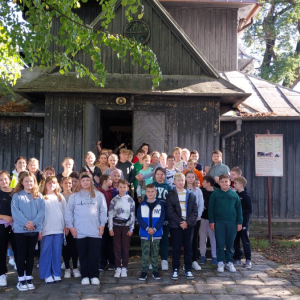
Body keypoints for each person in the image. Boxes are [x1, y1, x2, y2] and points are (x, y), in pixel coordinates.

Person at [65, 172, 107, 285]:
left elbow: (103, 211)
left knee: (94, 254)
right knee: (82, 254)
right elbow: (69, 212)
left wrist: (102, 224)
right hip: (80, 230)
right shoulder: (74, 196)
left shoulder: (98, 195)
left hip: (95, 230)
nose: (85, 182)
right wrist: (71, 226)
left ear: (91, 182)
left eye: (87, 180)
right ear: (80, 182)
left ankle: (94, 275)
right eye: (83, 180)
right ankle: (85, 276)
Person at [11, 171, 45, 291]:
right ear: (22, 182)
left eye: (31, 181)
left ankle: (29, 277)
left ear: (34, 182)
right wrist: (27, 223)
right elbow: (15, 213)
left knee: (30, 254)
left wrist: (33, 223)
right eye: (26, 181)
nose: (29, 183)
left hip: (34, 230)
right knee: (21, 254)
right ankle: (21, 279)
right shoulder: (17, 196)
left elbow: (42, 212)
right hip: (21, 230)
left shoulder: (39, 196)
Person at [208, 174, 243, 273]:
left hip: (232, 222)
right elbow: (211, 209)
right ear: (219, 183)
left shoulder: (234, 195)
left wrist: (239, 222)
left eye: (226, 181)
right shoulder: (215, 194)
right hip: (219, 222)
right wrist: (212, 221)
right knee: (220, 243)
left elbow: (239, 209)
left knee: (230, 243)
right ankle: (220, 262)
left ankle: (229, 262)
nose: (224, 183)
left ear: (229, 182)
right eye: (222, 181)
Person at [166, 173, 198, 280]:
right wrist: (181, 222)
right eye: (178, 180)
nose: (180, 183)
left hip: (189, 226)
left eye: (182, 180)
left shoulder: (191, 195)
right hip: (176, 226)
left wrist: (187, 222)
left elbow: (194, 212)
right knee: (176, 248)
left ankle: (188, 269)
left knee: (188, 248)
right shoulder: (170, 195)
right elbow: (170, 211)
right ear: (174, 182)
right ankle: (175, 269)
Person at [39, 176, 67, 283]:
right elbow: (39, 215)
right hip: (46, 230)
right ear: (45, 184)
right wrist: (40, 230)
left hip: (59, 229)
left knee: (57, 251)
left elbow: (65, 211)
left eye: (54, 183)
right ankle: (46, 274)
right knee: (46, 252)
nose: (51, 185)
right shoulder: (42, 197)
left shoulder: (59, 197)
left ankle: (56, 273)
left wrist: (66, 225)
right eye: (49, 183)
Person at [144, 168, 172, 271]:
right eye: (158, 174)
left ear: (165, 175)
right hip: (153, 218)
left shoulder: (168, 187)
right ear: (155, 175)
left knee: (164, 239)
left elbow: (171, 203)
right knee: (153, 240)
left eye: (162, 174)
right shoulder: (151, 186)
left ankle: (164, 260)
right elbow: (145, 201)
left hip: (164, 218)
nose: (160, 176)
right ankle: (153, 260)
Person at [137, 184, 165, 281]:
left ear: (155, 192)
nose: (150, 193)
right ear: (145, 193)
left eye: (152, 191)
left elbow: (162, 218)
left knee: (155, 252)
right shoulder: (142, 204)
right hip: (145, 233)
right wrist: (147, 228)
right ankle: (144, 270)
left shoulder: (160, 204)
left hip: (156, 233)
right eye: (148, 191)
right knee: (145, 252)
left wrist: (155, 229)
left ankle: (155, 270)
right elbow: (139, 218)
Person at [108, 179, 135, 278]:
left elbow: (132, 215)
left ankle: (124, 267)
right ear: (117, 188)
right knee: (117, 248)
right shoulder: (114, 200)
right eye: (120, 187)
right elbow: (110, 214)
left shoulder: (130, 200)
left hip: (126, 226)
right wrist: (110, 228)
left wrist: (131, 229)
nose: (122, 189)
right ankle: (118, 267)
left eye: (124, 187)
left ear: (127, 188)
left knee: (125, 247)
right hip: (116, 226)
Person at [0, 171, 17, 287]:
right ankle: (2, 274)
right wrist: (4, 216)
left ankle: (22, 274)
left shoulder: (15, 193)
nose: (4, 182)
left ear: (10, 180)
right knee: (1, 251)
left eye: (5, 179)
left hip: (16, 226)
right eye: (1, 180)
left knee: (19, 249)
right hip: (2, 225)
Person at [61, 177, 80, 278]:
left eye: (70, 183)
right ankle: (67, 268)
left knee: (74, 247)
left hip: (74, 226)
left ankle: (75, 267)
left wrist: (72, 225)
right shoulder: (59, 196)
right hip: (64, 227)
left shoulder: (75, 196)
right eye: (66, 183)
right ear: (61, 184)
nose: (68, 185)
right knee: (65, 248)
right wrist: (65, 225)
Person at [184, 171, 204, 271]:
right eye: (189, 177)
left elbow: (201, 204)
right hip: (184, 219)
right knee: (185, 240)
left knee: (194, 239)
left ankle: (194, 260)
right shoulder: (182, 189)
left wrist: (198, 215)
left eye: (193, 177)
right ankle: (186, 261)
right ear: (185, 178)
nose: (191, 179)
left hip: (195, 219)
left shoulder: (198, 191)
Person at [233, 176, 252, 269]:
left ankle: (248, 259)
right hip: (235, 222)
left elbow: (249, 210)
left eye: (235, 183)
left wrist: (243, 221)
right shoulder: (235, 194)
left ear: (241, 185)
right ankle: (238, 258)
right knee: (235, 241)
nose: (233, 185)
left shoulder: (246, 195)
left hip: (243, 223)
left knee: (245, 241)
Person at [98, 175, 115, 271]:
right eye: (110, 179)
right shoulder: (98, 192)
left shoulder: (113, 191)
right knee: (102, 243)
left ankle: (112, 263)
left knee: (111, 242)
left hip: (111, 221)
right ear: (104, 181)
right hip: (101, 221)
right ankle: (102, 263)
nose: (111, 181)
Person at [199, 175, 217, 265]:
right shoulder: (201, 191)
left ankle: (214, 256)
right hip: (202, 218)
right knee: (202, 237)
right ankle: (202, 255)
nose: (202, 184)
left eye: (204, 182)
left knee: (213, 238)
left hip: (212, 219)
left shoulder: (216, 192)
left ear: (209, 183)